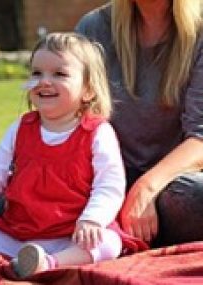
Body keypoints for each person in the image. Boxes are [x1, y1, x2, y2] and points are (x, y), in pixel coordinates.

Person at [0, 32, 146, 276]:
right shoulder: (21, 128)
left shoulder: (97, 132)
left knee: (108, 242)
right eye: (36, 73)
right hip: (18, 232)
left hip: (71, 235)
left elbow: (109, 184)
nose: (44, 81)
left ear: (88, 90)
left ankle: (48, 263)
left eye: (59, 74)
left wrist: (92, 220)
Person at [75, 0, 203, 246]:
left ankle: (118, 235)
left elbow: (200, 137)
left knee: (195, 197)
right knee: (1, 204)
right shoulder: (94, 27)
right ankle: (121, 233)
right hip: (100, 180)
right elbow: (70, 114)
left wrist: (146, 188)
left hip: (170, 184)